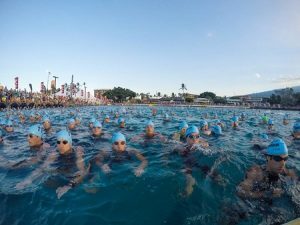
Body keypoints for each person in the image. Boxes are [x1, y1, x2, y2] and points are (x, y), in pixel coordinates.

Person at [16, 130, 89, 199]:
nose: (61, 145)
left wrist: (68, 186)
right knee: (46, 180)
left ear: (70, 143)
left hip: (72, 166)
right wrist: (28, 180)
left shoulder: (78, 152)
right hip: (62, 167)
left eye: (64, 142)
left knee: (87, 185)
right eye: (58, 142)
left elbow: (82, 171)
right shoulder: (54, 153)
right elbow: (42, 168)